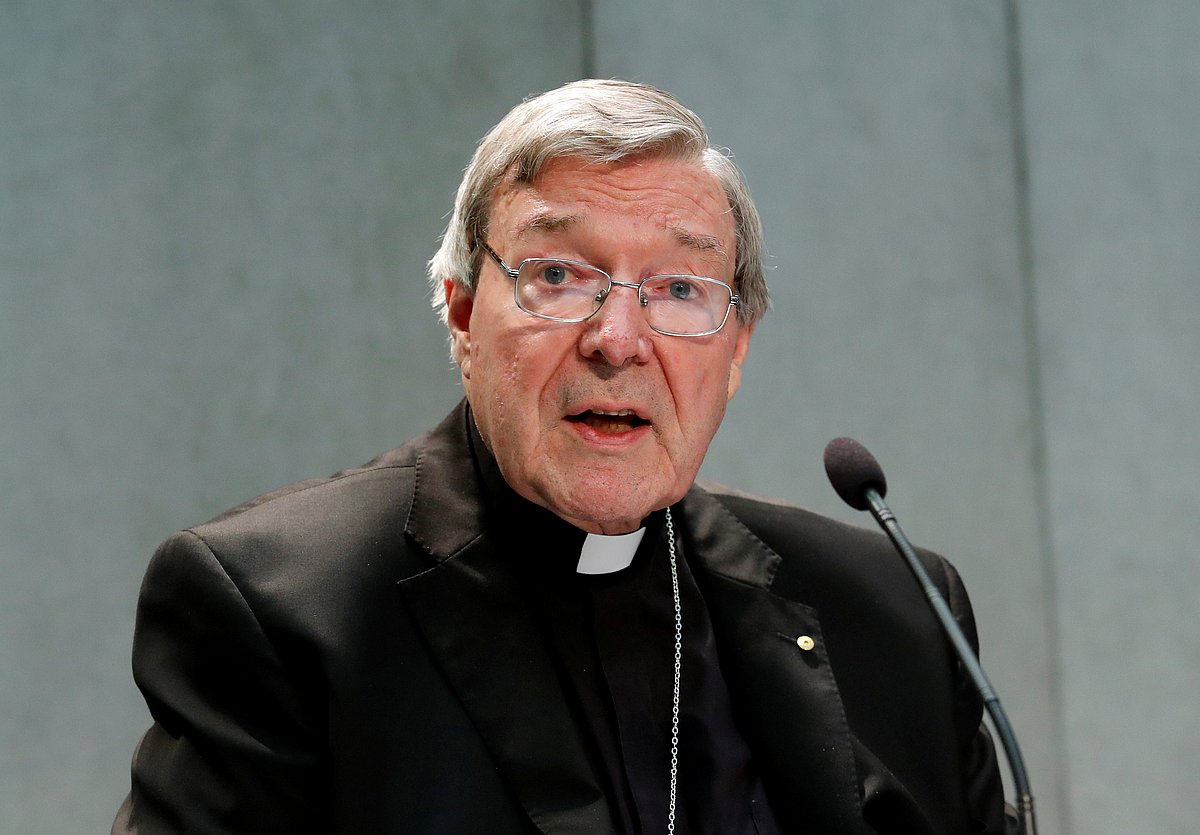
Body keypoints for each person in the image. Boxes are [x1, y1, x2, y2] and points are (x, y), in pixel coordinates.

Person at [114, 79, 1014, 834]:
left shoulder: (893, 612)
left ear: (735, 349)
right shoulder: (281, 609)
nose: (617, 339)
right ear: (463, 312)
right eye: (559, 277)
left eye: (679, 288)